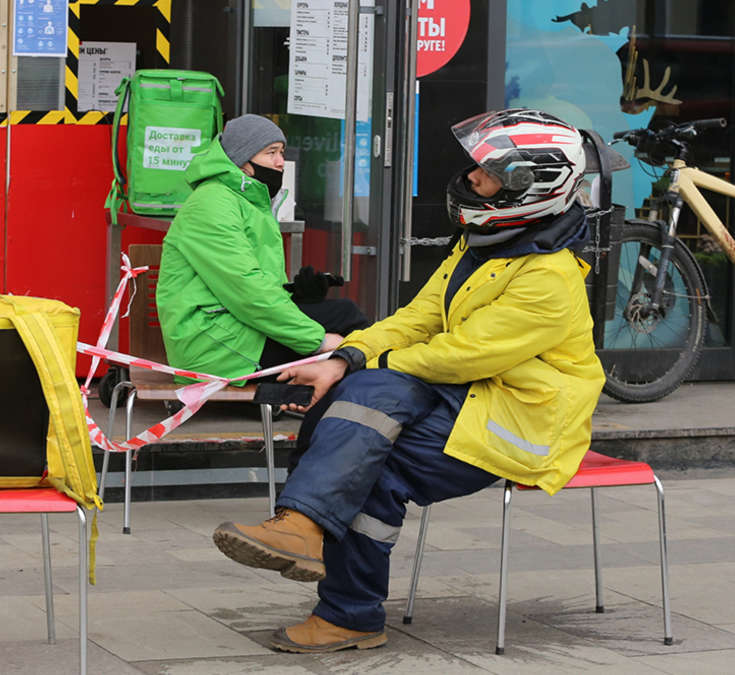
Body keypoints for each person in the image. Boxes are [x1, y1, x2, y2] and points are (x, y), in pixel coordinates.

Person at [210, 109, 606, 653]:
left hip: (521, 422)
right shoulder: (488, 246)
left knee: (372, 458)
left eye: (486, 173)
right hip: (467, 396)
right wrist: (345, 358)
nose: (471, 178)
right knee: (362, 408)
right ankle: (311, 542)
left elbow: (460, 355)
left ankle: (328, 570)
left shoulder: (549, 277)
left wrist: (355, 367)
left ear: (525, 189)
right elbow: (416, 319)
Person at [156, 114, 370, 383]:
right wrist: (318, 340)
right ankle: (367, 405)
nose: (281, 161)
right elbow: (245, 289)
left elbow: (255, 287)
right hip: (214, 343)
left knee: (345, 315)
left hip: (236, 325)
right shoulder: (212, 204)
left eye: (281, 151)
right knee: (347, 346)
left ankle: (367, 401)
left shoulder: (247, 199)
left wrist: (299, 296)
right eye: (271, 153)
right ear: (243, 160)